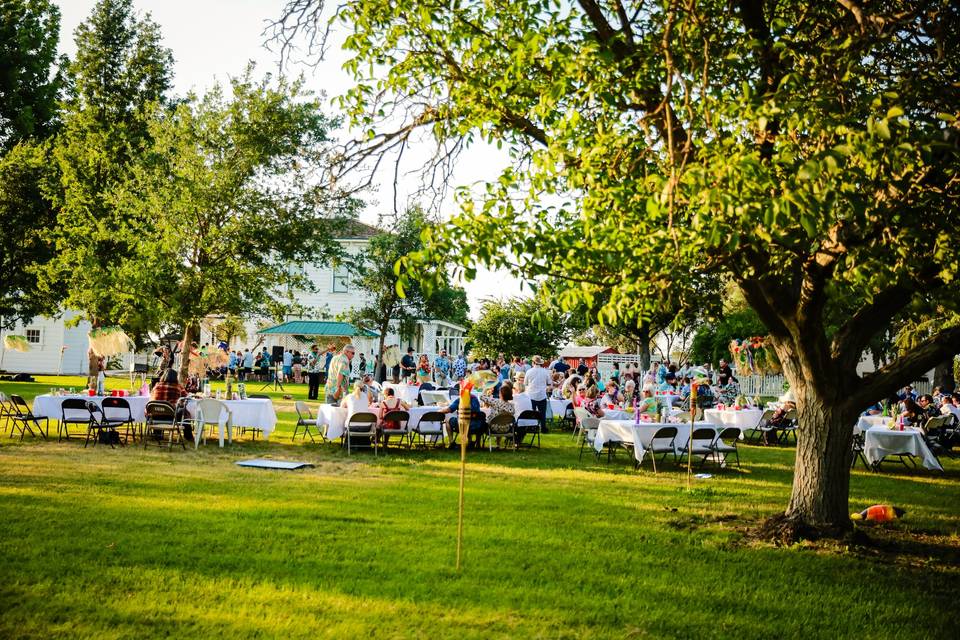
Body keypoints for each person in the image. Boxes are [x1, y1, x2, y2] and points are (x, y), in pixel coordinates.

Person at [150, 369, 192, 441]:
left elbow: (151, 397)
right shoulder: (178, 387)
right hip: (171, 417)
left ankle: (157, 434)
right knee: (183, 412)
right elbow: (186, 397)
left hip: (155, 416)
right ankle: (188, 436)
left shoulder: (156, 386)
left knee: (160, 409)